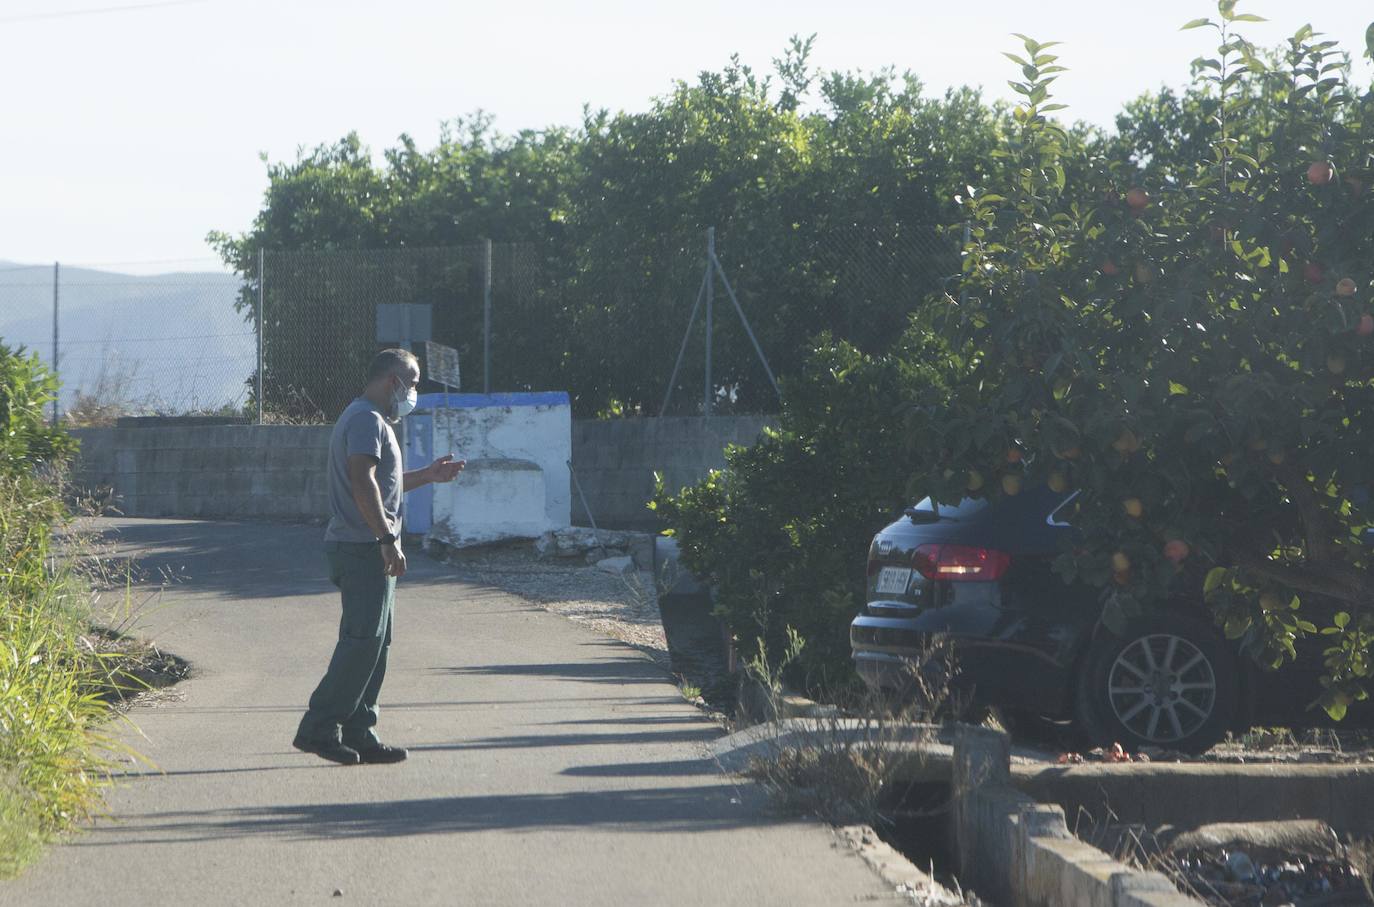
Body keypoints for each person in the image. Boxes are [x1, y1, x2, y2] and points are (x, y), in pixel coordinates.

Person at [293, 348, 464, 765]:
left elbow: (382, 484)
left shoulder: (371, 420)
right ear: (393, 381)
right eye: (413, 382)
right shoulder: (366, 419)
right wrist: (386, 537)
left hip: (367, 544)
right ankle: (319, 727)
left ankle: (359, 730)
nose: (414, 392)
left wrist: (428, 475)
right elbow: (362, 481)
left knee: (376, 643)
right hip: (362, 547)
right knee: (361, 642)